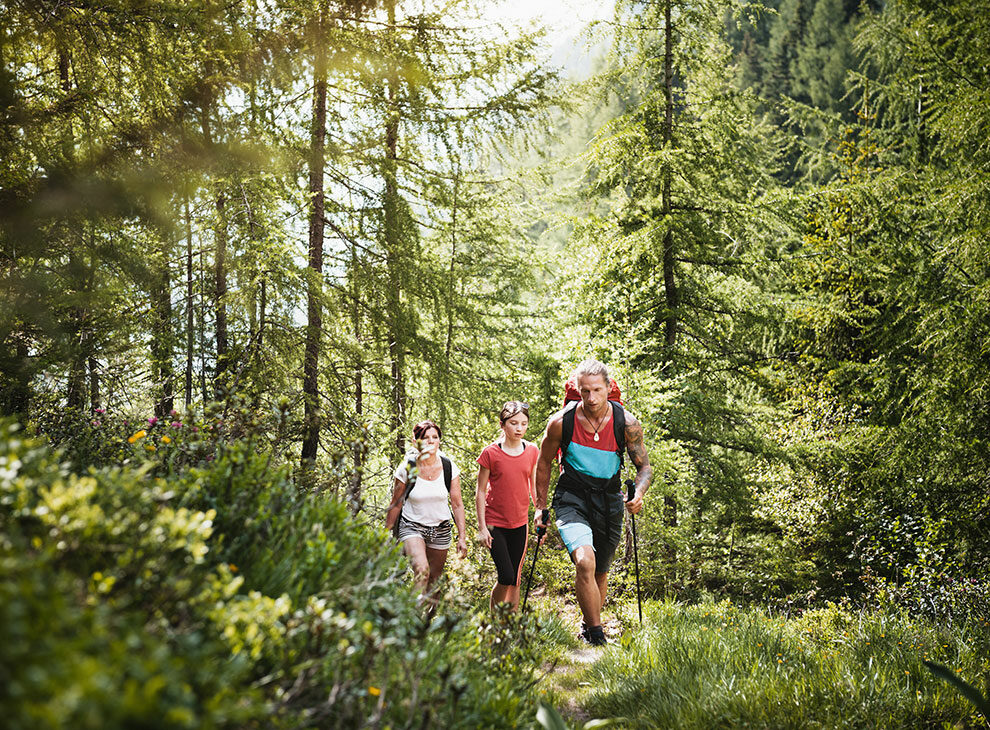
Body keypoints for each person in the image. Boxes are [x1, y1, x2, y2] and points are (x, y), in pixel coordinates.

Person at [535, 359, 652, 646]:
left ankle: (589, 625)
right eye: (584, 391)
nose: (591, 398)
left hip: (609, 498)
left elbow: (645, 468)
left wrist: (638, 493)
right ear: (577, 389)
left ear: (609, 388)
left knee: (600, 569)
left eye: (597, 390)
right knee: (585, 561)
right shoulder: (562, 423)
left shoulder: (627, 423)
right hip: (571, 496)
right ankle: (597, 637)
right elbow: (543, 463)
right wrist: (539, 506)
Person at [385, 420, 468, 594]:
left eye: (435, 437)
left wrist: (462, 537)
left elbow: (458, 504)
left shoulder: (449, 467)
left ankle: (427, 619)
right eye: (425, 438)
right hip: (412, 526)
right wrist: (385, 535)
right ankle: (411, 618)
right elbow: (396, 503)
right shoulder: (407, 468)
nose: (431, 441)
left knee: (434, 582)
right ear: (415, 442)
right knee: (422, 572)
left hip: (440, 529)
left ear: (439, 441)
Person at [476, 401, 539, 613]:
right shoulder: (491, 453)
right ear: (503, 425)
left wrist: (539, 511)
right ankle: (494, 620)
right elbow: (481, 491)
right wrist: (482, 527)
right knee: (506, 575)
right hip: (495, 524)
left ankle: (511, 623)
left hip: (520, 522)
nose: (519, 428)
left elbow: (533, 485)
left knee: (516, 577)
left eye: (523, 423)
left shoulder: (532, 451)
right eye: (513, 423)